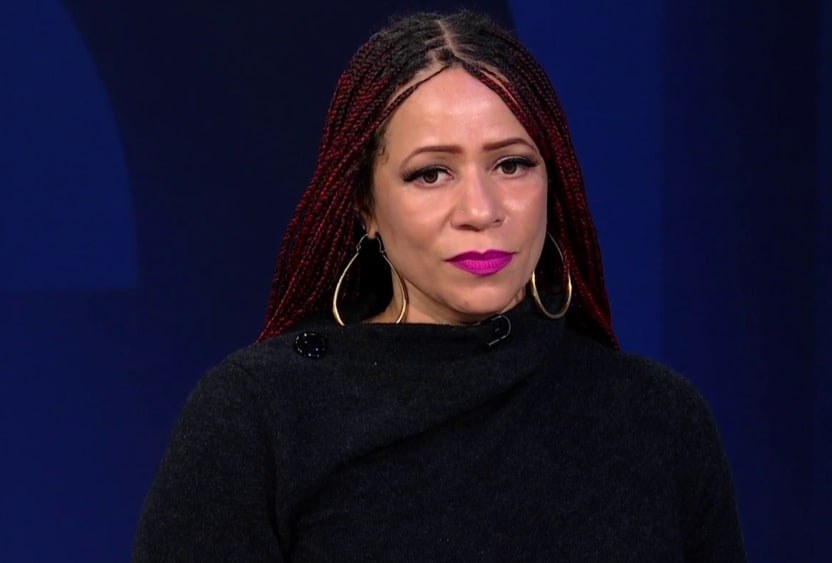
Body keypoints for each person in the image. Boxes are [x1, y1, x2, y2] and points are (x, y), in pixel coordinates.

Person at [133, 10, 746, 562]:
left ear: (553, 183)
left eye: (512, 164)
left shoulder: (658, 418)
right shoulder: (258, 415)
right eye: (431, 174)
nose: (481, 210)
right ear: (365, 206)